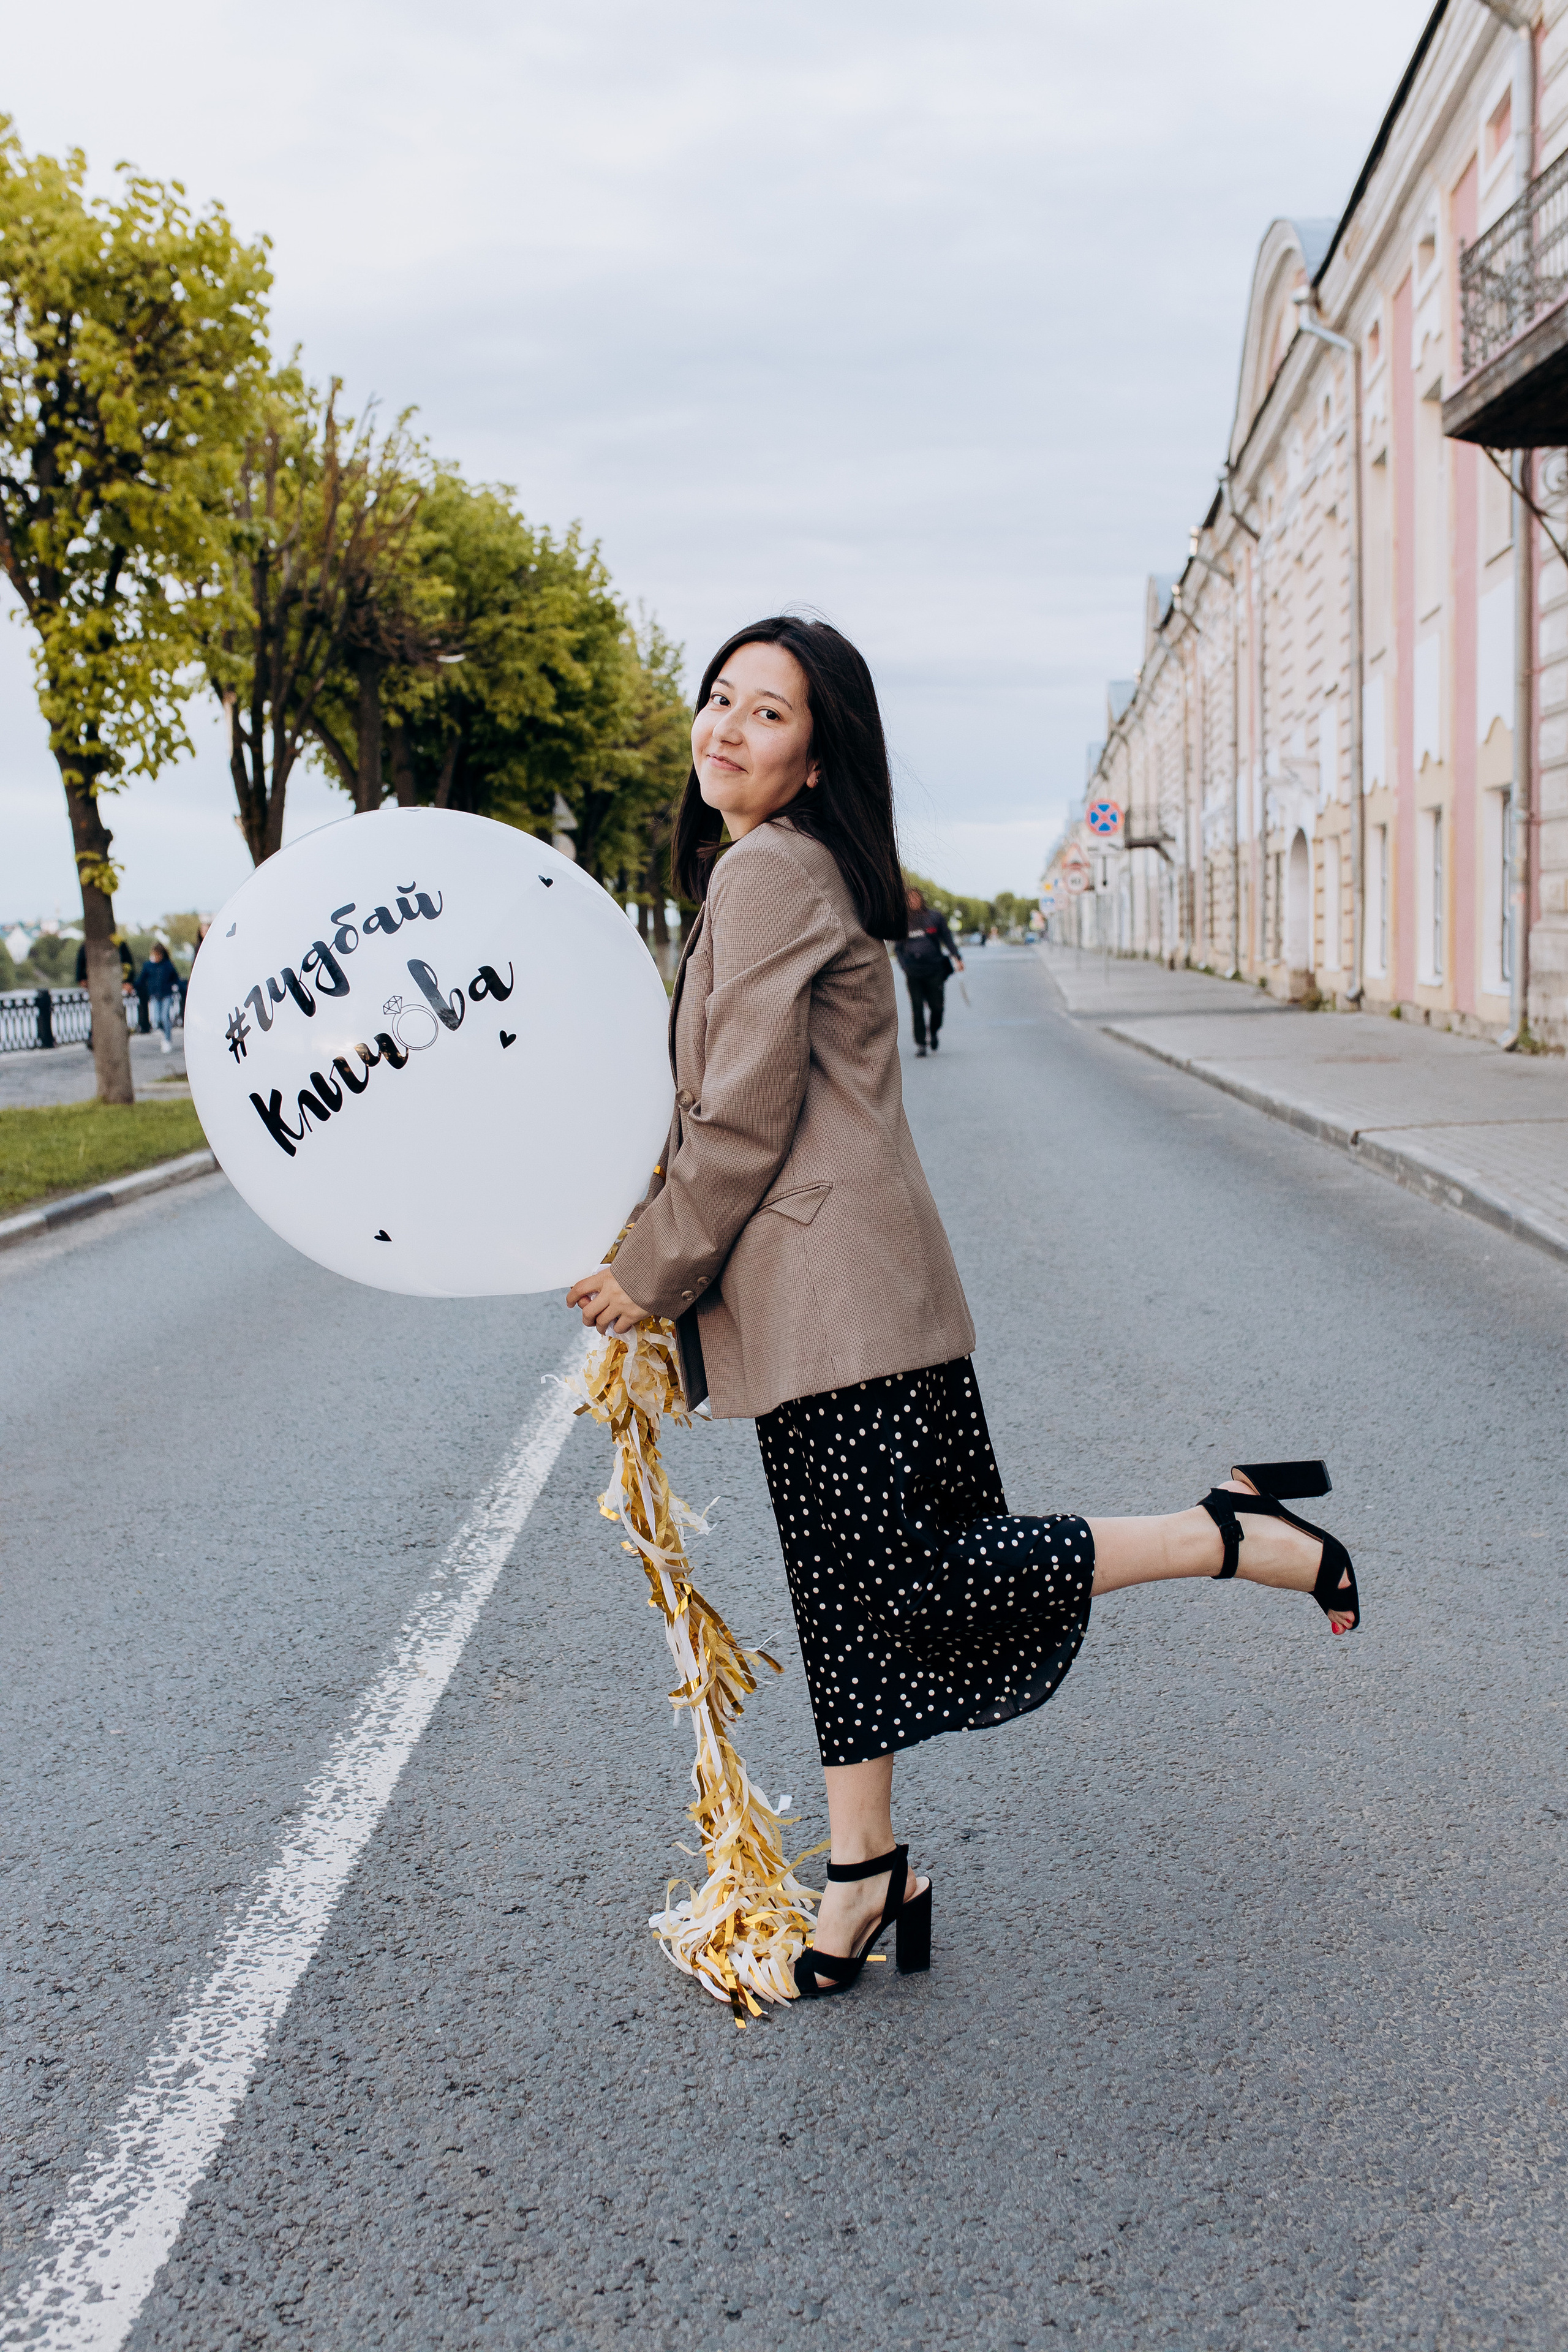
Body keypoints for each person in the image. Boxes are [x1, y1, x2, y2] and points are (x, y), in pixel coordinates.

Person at [565, 616, 1359, 2003]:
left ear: (815, 760)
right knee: (845, 1598)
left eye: (765, 714)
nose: (722, 728)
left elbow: (739, 1115)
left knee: (919, 1580)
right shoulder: (785, 866)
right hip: (853, 1298)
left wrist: (649, 1266)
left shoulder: (767, 868)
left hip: (836, 1310)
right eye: (718, 699)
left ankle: (1225, 1529)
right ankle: (866, 1865)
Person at [894, 886, 963, 1057]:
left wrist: (957, 957)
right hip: (914, 972)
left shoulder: (934, 917)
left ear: (922, 899)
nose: (913, 902)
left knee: (937, 1008)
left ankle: (933, 1031)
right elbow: (898, 949)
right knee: (917, 1008)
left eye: (916, 898)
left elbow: (947, 938)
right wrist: (905, 967)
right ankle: (921, 1044)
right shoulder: (902, 921)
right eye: (909, 899)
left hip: (935, 969)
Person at [139, 940, 179, 1052]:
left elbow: (176, 979)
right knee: (156, 1018)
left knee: (164, 1017)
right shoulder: (148, 965)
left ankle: (167, 1040)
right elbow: (142, 979)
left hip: (166, 994)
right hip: (155, 995)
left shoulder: (168, 965)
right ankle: (164, 1034)